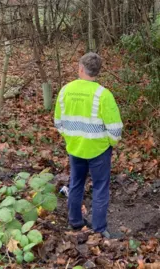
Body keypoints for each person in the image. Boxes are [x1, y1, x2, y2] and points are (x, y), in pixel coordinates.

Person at [54, 52, 123, 238]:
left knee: (76, 183)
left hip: (75, 148)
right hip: (99, 150)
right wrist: (110, 144)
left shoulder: (65, 90)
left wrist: (71, 138)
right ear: (97, 71)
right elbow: (116, 130)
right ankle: (99, 230)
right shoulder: (104, 95)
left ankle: (75, 221)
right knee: (100, 187)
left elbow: (58, 123)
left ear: (81, 68)